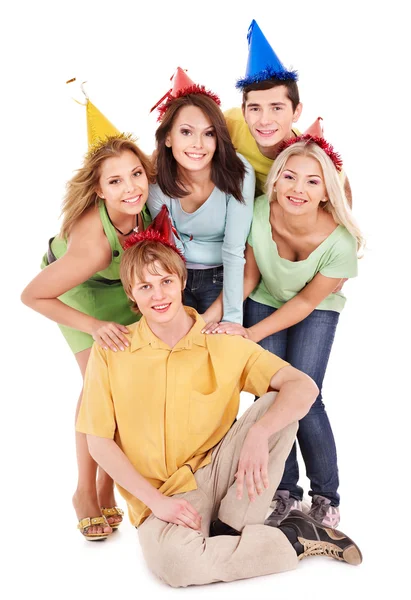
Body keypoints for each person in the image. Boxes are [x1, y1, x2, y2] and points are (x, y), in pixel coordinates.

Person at [76, 220, 362, 586]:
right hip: (162, 495)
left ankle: (228, 527)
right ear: (132, 294)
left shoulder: (222, 342)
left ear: (182, 282)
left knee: (279, 401)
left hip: (223, 475)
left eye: (166, 281)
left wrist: (259, 434)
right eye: (145, 286)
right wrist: (158, 503)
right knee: (177, 565)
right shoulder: (112, 351)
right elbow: (98, 441)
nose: (158, 295)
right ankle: (292, 539)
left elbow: (303, 386)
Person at [204, 135, 364, 528]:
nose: (298, 189)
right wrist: (215, 319)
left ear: (327, 191)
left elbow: (306, 303)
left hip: (315, 307)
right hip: (264, 296)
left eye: (312, 181)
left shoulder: (340, 242)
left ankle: (326, 496)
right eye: (290, 177)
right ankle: (284, 492)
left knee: (307, 396)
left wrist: (252, 335)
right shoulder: (259, 212)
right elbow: (248, 275)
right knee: (271, 395)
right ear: (274, 181)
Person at [21, 110, 153, 540]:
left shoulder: (148, 204)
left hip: (125, 285)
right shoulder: (93, 246)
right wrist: (94, 326)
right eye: (115, 182)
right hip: (78, 292)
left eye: (136, 174)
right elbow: (33, 295)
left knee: (132, 387)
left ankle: (106, 482)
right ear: (99, 189)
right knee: (99, 384)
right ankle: (85, 491)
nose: (130, 187)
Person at [147, 67, 255, 325]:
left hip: (225, 276)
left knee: (222, 350)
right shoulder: (155, 181)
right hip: (175, 276)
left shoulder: (239, 173)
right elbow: (171, 249)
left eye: (209, 134)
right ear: (169, 138)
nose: (198, 144)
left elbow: (233, 251)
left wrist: (230, 321)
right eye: (186, 132)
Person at [225, 19, 352, 206]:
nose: (265, 120)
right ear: (244, 111)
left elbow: (343, 194)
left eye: (276, 108)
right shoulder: (229, 123)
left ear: (296, 112)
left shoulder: (311, 158)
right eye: (255, 108)